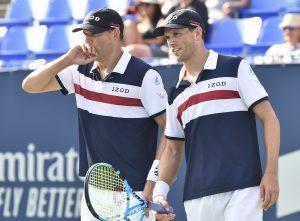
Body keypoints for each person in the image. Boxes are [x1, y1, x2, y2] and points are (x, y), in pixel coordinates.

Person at [22, 8, 168, 221]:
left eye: (95, 34)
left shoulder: (144, 76)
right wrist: (67, 59)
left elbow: (170, 129)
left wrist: (151, 185)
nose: (88, 40)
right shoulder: (78, 69)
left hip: (135, 192)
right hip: (95, 194)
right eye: (86, 35)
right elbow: (30, 85)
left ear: (115, 33)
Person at [151, 9, 280, 221]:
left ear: (197, 33)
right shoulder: (175, 93)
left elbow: (270, 118)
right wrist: (159, 194)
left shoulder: (234, 67)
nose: (171, 42)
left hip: (244, 188)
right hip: (196, 198)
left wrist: (271, 173)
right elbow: (173, 150)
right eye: (167, 37)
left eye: (177, 34)